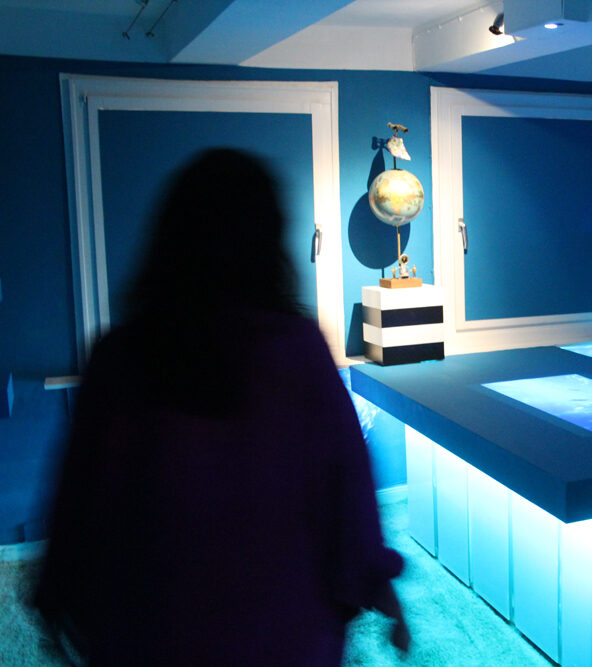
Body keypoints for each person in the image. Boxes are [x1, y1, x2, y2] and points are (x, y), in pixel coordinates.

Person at [33, 148, 408, 665]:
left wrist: (61, 594)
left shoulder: (119, 358)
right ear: (268, 242)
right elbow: (347, 485)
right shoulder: (298, 351)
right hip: (284, 629)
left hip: (149, 633)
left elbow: (81, 498)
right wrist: (373, 579)